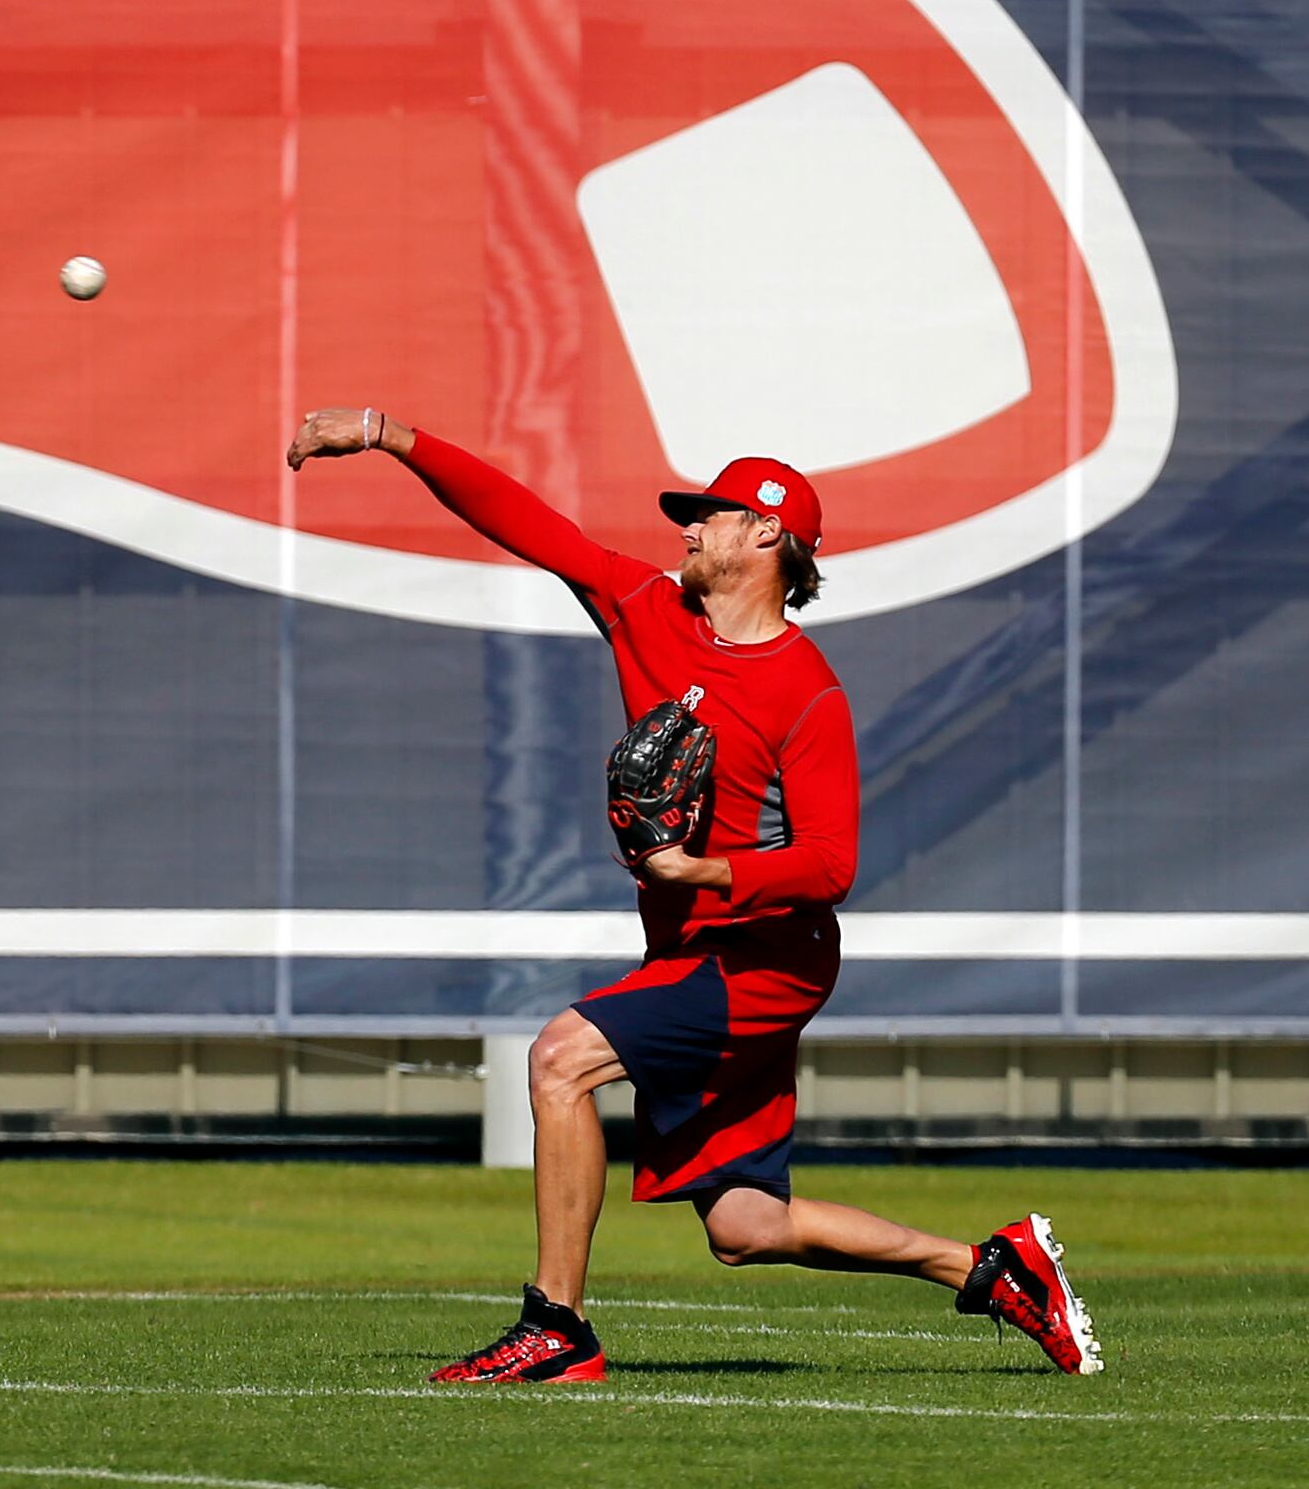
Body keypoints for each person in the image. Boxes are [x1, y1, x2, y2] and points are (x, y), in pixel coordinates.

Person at [285, 406, 1100, 1381]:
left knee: (560, 1060)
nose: (688, 527)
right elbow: (527, 525)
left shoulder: (806, 691)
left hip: (763, 960)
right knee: (747, 1225)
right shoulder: (645, 609)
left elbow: (831, 863)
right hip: (691, 956)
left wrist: (703, 870)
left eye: (711, 514)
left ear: (769, 535)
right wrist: (388, 435)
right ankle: (992, 1267)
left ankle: (557, 1326)